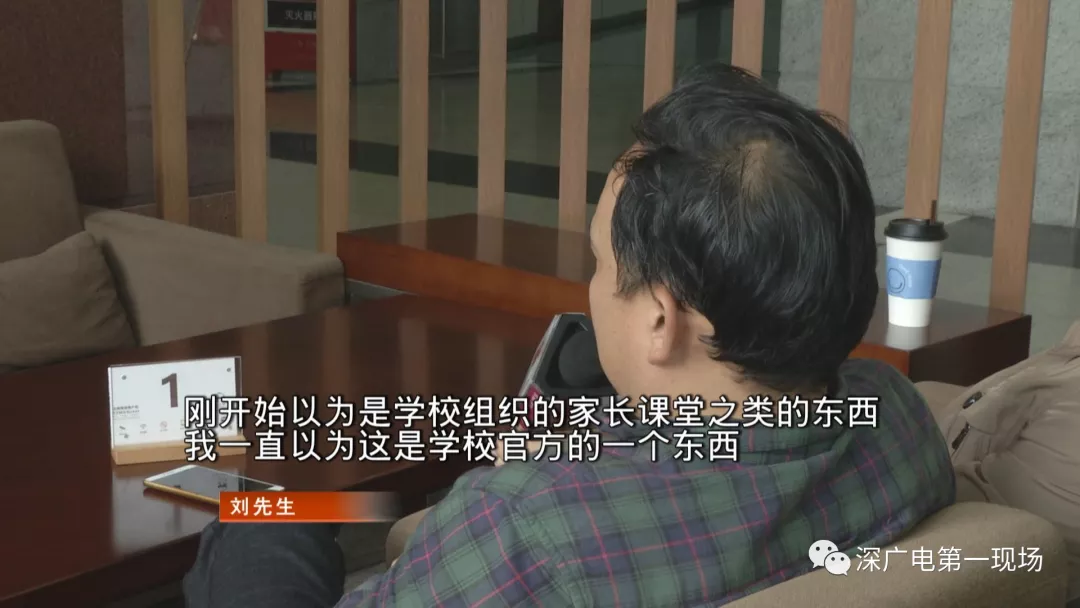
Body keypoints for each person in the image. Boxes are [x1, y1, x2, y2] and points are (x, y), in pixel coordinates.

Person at [184, 63, 955, 607]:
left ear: (660, 320)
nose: (591, 287)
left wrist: (524, 483)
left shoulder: (528, 528)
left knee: (261, 519)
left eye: (600, 263)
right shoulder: (900, 418)